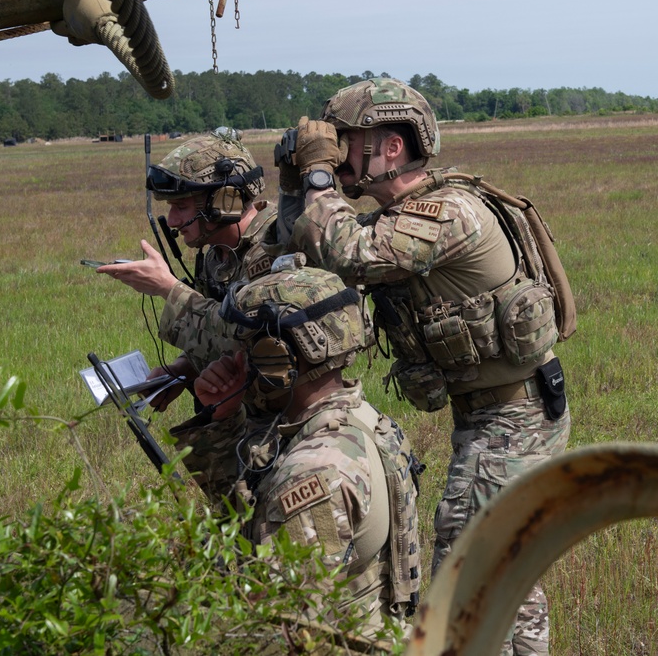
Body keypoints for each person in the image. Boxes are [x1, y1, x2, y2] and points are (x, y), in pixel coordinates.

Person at [277, 77, 572, 656]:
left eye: (347, 142)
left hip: (512, 419)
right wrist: (297, 184)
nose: (338, 156)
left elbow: (348, 253)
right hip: (501, 412)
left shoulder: (445, 212)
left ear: (390, 147)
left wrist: (317, 176)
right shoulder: (401, 216)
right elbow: (308, 246)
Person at [170, 262, 423, 643]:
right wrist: (221, 421)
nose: (236, 357)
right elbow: (244, 513)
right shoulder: (359, 419)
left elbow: (280, 627)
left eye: (246, 345)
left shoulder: (313, 472)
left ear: (278, 356)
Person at [97, 127, 277, 411]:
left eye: (181, 206)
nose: (171, 221)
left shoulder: (275, 248)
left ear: (223, 200)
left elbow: (247, 342)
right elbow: (216, 338)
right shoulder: (217, 256)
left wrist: (168, 288)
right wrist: (180, 371)